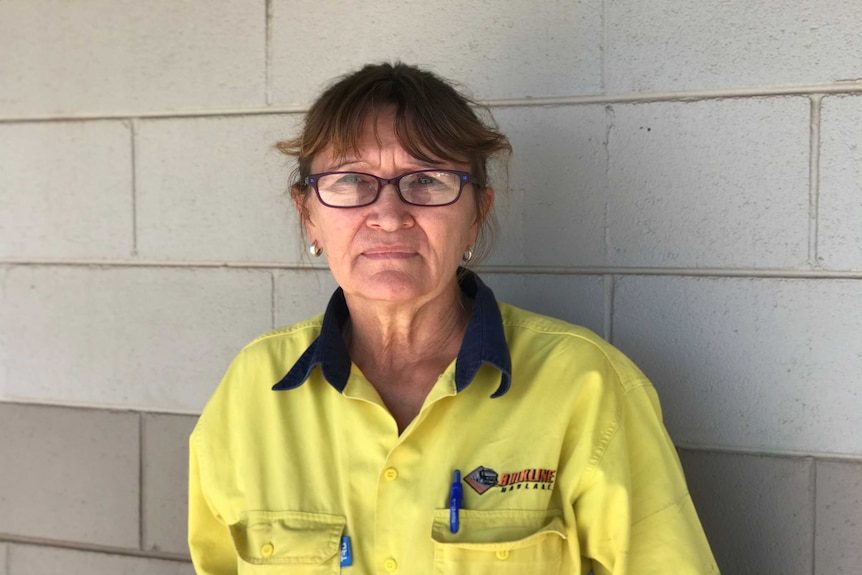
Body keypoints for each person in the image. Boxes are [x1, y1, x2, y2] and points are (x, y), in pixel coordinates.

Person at [188, 62, 719, 574]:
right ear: (310, 216)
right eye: (350, 180)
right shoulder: (252, 389)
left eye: (427, 179)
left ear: (476, 215)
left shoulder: (585, 384)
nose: (390, 215)